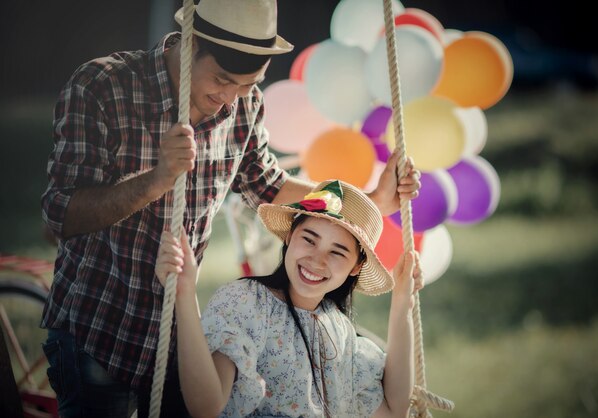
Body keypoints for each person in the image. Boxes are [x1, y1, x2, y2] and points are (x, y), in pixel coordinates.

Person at [40, 0, 420, 416]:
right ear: (189, 45)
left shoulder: (244, 103)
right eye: (221, 80)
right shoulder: (102, 85)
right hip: (99, 330)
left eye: (247, 83)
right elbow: (60, 215)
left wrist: (368, 202)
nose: (229, 100)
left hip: (178, 332)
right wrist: (157, 179)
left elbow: (269, 186)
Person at [156, 180, 423, 417]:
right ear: (290, 236)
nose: (317, 260)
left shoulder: (338, 330)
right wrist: (184, 293)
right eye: (309, 239)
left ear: (355, 267)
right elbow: (206, 408)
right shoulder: (246, 303)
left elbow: (394, 409)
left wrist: (402, 302)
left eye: (338, 252)